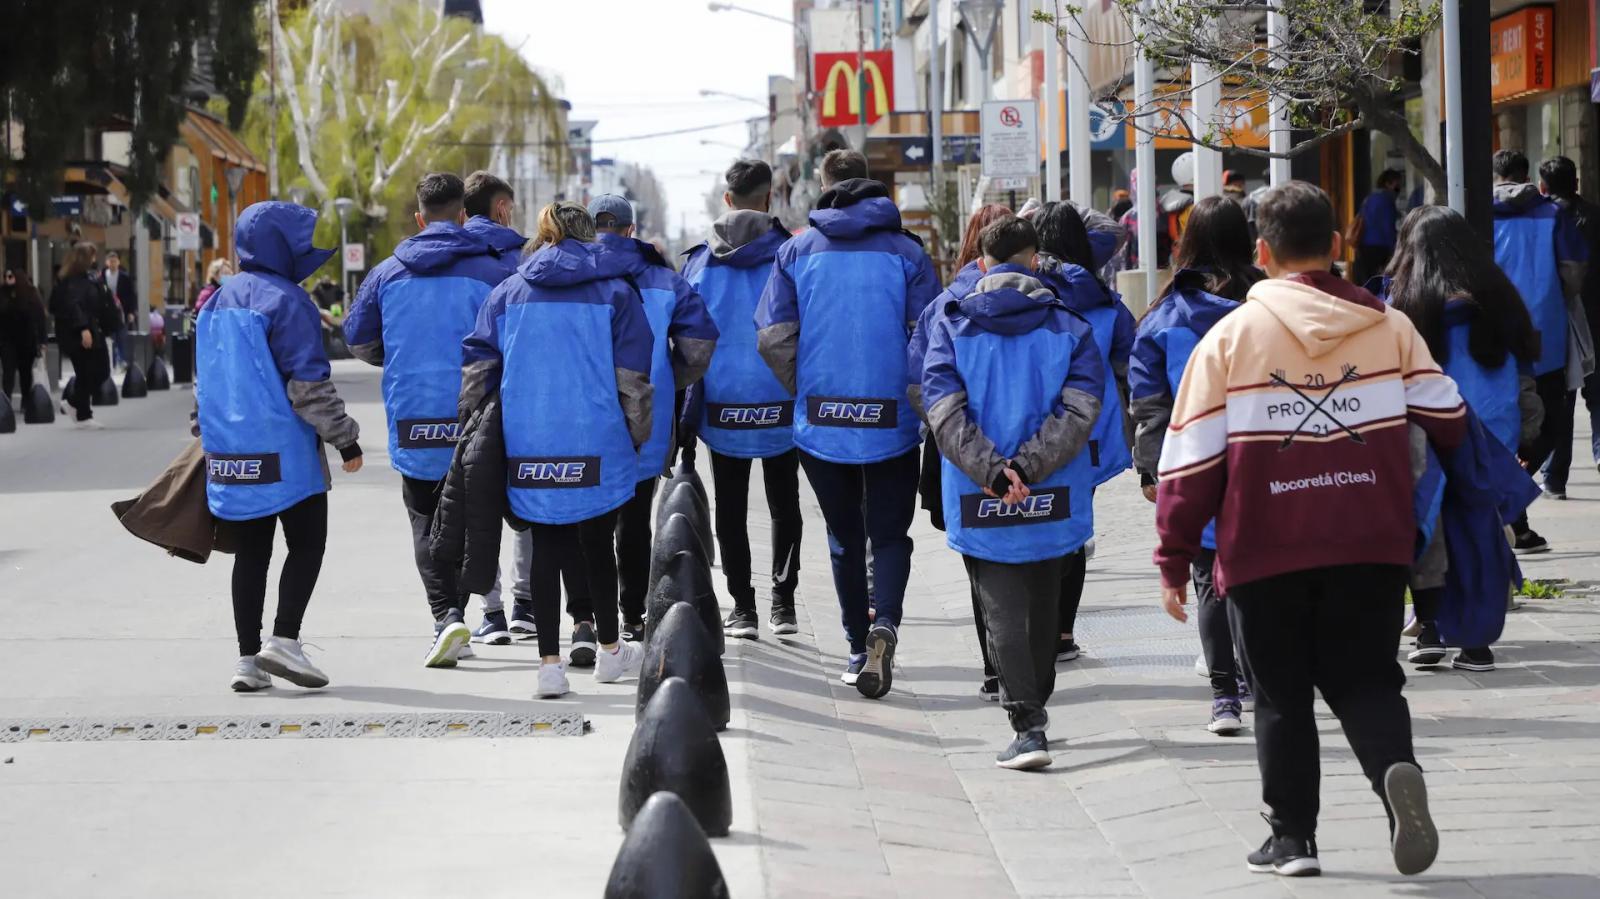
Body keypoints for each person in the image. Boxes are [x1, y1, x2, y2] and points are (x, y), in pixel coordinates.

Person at [1154, 181, 1459, 877]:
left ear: (1261, 252)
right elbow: (1450, 419)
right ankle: (1395, 769)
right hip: (1373, 541)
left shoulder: (1229, 339)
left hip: (1265, 549)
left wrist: (1173, 558)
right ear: (1339, 245)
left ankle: (1293, 838)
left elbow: (1191, 462)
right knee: (1368, 679)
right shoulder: (1390, 327)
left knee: (1281, 694)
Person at [920, 215, 1103, 769]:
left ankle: (1027, 724)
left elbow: (941, 410)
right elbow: (1081, 409)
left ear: (981, 263)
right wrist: (1030, 466)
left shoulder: (950, 328)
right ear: (1033, 261)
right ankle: (1035, 706)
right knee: (1045, 599)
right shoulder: (1071, 327)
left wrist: (995, 472)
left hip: (982, 491)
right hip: (1054, 488)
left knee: (999, 603)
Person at [756, 149, 940, 698]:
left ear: (826, 187)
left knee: (842, 537)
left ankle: (858, 645)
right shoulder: (908, 254)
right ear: (877, 189)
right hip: (893, 422)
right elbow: (926, 339)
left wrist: (805, 387)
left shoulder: (796, 251)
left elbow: (771, 336)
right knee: (888, 534)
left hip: (822, 421)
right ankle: (886, 622)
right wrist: (915, 403)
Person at [459, 201, 654, 699]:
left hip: (530, 437)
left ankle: (549, 666)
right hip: (597, 436)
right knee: (598, 543)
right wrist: (636, 434)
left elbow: (478, 370)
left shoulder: (506, 294)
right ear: (590, 239)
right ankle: (610, 650)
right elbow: (633, 379)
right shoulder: (616, 292)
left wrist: (474, 427)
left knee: (547, 545)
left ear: (542, 237)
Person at [195, 201, 364, 693]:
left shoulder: (214, 301)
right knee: (307, 543)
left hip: (230, 451)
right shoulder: (290, 302)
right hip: (285, 452)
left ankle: (247, 660)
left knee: (251, 553)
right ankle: (284, 639)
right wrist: (346, 438)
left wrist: (202, 430)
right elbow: (307, 386)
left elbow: (204, 381)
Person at [344, 172, 508, 668]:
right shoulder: (494, 268)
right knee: (474, 513)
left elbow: (357, 338)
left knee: (422, 515)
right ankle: (487, 610)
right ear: (464, 216)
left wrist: (394, 353)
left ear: (419, 219)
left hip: (412, 409)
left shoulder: (387, 272)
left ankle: (445, 616)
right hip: (476, 408)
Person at [1386, 204, 1543, 673]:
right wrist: (1528, 439)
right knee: (1480, 533)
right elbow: (1526, 374)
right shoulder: (1500, 298)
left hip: (1427, 429)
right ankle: (1476, 641)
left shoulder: (1402, 305)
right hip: (1492, 432)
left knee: (1428, 529)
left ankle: (1430, 627)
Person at [1130, 195, 1263, 735]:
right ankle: (1257, 680)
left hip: (1194, 460)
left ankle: (1224, 697)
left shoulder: (1165, 314)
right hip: (1262, 454)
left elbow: (1148, 401)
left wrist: (1149, 468)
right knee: (1256, 578)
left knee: (1208, 578)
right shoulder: (1265, 302)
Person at [681, 159, 803, 639]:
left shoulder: (697, 262)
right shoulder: (791, 254)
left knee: (730, 507)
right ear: (769, 199)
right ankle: (784, 603)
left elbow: (685, 339)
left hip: (720, 406)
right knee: (784, 502)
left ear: (727, 200)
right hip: (782, 400)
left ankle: (744, 608)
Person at [588, 192, 717, 642]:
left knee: (589, 522)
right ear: (629, 229)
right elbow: (700, 347)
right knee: (635, 520)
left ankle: (586, 622)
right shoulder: (664, 280)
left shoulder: (571, 275)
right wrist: (669, 380)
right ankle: (631, 617)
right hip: (648, 415)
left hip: (583, 418)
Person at [908, 203, 1011, 699]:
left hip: (961, 450)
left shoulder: (944, 306)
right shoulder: (1052, 302)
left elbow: (918, 382)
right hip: (1036, 454)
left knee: (979, 556)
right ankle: (1023, 661)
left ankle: (996, 665)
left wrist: (946, 429)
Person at [1032, 201, 1135, 663]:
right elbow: (1129, 362)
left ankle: (1034, 625)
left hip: (1035, 422)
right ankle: (1063, 634)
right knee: (1075, 527)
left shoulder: (1027, 294)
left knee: (1035, 520)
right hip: (1093, 429)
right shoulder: (1104, 300)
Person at [1491, 149, 1590, 552]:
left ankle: (1511, 512)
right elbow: (1573, 272)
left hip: (1491, 338)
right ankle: (1514, 508)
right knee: (1548, 425)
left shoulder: (1477, 213)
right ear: (1527, 174)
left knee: (1498, 425)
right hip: (1545, 338)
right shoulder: (1553, 215)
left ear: (1496, 175)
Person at [459, 169, 537, 643]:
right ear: (503, 209)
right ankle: (525, 602)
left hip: (466, 395)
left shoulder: (430, 258)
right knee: (526, 498)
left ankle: (490, 613)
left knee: (476, 502)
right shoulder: (527, 259)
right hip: (519, 395)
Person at [1534, 156, 1600, 496]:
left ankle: (1555, 478)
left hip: (1559, 320)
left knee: (1562, 401)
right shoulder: (1594, 215)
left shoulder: (1542, 219)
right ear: (1575, 182)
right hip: (1595, 316)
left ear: (1543, 186)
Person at [47, 242, 115, 428]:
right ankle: (80, 410)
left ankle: (78, 407)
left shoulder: (86, 278)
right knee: (90, 372)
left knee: (94, 372)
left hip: (90, 331)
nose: (95, 259)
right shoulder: (73, 281)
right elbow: (74, 306)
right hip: (81, 334)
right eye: (92, 256)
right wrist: (83, 329)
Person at [2, 269, 49, 407]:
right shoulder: (3, 293)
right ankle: (6, 401)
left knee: (25, 373)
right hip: (7, 341)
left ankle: (26, 401)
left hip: (26, 340)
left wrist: (42, 340)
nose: (7, 279)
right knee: (8, 373)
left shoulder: (30, 293)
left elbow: (40, 318)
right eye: (5, 276)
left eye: (10, 276)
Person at [1350, 169, 1403, 289]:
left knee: (1367, 281)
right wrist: (1395, 249)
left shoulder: (1370, 198)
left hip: (1364, 246)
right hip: (1380, 248)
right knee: (1381, 282)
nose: (1399, 187)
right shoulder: (1386, 200)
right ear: (1388, 183)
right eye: (1397, 183)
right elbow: (1388, 227)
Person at [102, 250, 136, 370]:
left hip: (122, 311)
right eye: (110, 261)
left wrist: (131, 311)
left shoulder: (125, 277)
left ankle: (122, 360)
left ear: (118, 262)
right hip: (107, 312)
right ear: (107, 262)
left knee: (122, 336)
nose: (112, 264)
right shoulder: (102, 276)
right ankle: (113, 361)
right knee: (111, 338)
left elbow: (131, 295)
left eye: (115, 261)